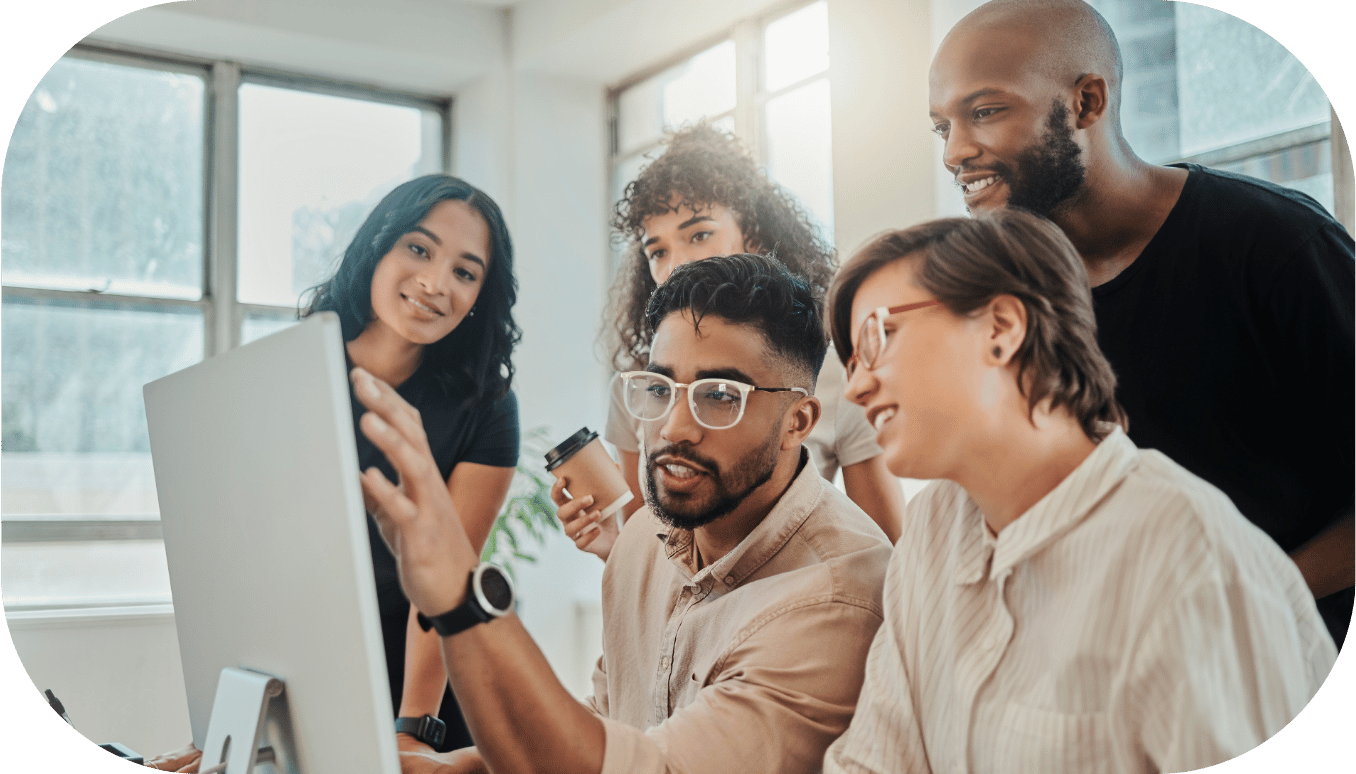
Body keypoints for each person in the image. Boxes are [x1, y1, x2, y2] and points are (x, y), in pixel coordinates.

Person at [821, 211, 1337, 774]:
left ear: (1001, 328)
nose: (855, 386)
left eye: (877, 338)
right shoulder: (930, 531)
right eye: (849, 361)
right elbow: (873, 760)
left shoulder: (1189, 553)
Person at [355, 254, 892, 774]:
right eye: (660, 388)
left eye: (721, 396)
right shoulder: (644, 538)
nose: (675, 427)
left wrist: (460, 595)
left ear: (799, 421)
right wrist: (458, 766)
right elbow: (615, 724)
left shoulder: (837, 598)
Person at [927, 0, 1354, 646]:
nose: (956, 152)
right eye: (942, 128)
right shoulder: (1008, 309)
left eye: (985, 112)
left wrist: (1243, 604)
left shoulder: (1276, 248)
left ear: (1087, 103)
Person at [145, 175, 521, 772]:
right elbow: (251, 566)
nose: (434, 282)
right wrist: (227, 724)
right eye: (419, 249)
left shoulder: (486, 405)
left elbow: (446, 579)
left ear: (480, 295)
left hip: (422, 689)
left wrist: (414, 728)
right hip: (307, 672)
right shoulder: (288, 370)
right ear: (377, 246)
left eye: (465, 272)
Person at [586, 122, 905, 552]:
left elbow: (886, 551)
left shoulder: (835, 373)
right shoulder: (639, 386)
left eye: (699, 234)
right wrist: (611, 547)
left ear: (752, 235)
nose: (675, 266)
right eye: (657, 251)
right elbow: (648, 555)